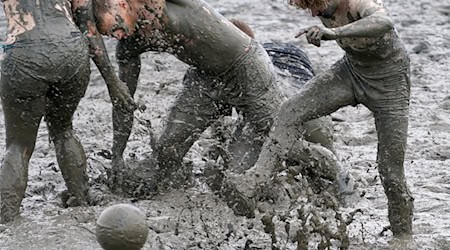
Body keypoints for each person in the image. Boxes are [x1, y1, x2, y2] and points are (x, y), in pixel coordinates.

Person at [91, 0, 338, 198]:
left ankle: (332, 171)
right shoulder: (129, 45)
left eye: (115, 27)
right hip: (205, 77)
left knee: (279, 138)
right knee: (168, 148)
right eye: (109, 35)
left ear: (121, 5)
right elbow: (124, 103)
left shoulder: (160, 4)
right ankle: (171, 191)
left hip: (245, 66)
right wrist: (117, 156)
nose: (117, 36)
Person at [226, 0, 414, 240]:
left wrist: (333, 32)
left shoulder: (358, 3)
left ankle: (403, 235)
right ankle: (256, 179)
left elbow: (384, 22)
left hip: (391, 81)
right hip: (352, 71)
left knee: (390, 170)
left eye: (314, 5)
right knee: (290, 110)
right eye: (308, 9)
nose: (314, 13)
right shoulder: (322, 9)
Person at [0, 0, 135, 223]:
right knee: (64, 130)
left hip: (25, 53)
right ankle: (80, 199)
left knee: (19, 146)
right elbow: (88, 26)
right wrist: (112, 82)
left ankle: (7, 220)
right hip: (71, 52)